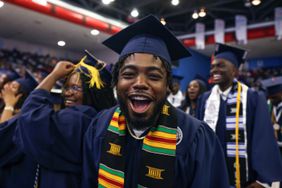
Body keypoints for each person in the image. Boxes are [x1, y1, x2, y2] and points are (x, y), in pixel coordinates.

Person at [82, 15, 229, 188]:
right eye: (129, 74)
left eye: (153, 76)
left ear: (167, 85)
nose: (140, 84)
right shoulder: (99, 126)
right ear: (116, 82)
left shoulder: (195, 137)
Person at [2, 51, 116, 188]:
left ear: (93, 92)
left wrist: (53, 76)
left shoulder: (79, 119)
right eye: (66, 87)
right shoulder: (98, 121)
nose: (67, 93)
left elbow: (31, 118)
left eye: (76, 87)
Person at [197, 43, 282, 187]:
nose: (215, 70)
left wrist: (262, 180)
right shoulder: (205, 99)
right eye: (212, 66)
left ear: (234, 71)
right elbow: (198, 137)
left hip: (243, 178)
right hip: (210, 175)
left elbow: (262, 138)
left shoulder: (252, 97)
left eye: (221, 65)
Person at [261, 76, 282, 152]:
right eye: (270, 97)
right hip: (271, 147)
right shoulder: (267, 105)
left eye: (274, 97)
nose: (272, 100)